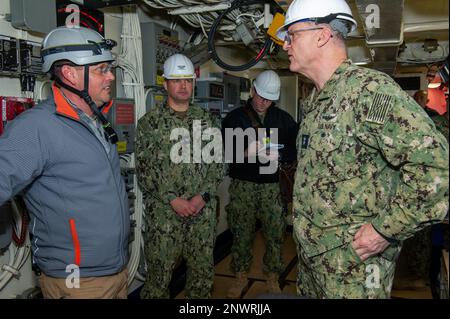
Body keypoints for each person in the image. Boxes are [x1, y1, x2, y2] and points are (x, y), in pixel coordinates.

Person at [277, 0, 449, 298]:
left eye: (292, 34)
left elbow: (437, 170)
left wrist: (384, 230)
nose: (284, 44)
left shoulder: (368, 92)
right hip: (313, 262)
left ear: (321, 35)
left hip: (353, 271)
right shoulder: (317, 101)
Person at [0, 27, 130, 298]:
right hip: (77, 279)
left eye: (109, 68)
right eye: (101, 69)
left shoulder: (96, 120)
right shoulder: (36, 127)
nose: (110, 77)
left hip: (115, 272)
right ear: (70, 73)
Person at [136, 54, 224, 299]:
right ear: (165, 85)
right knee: (158, 280)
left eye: (188, 80)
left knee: (202, 277)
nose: (183, 85)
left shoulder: (207, 121)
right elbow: (145, 169)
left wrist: (202, 197)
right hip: (165, 215)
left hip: (201, 214)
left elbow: (218, 165)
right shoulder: (150, 123)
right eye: (177, 80)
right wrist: (173, 199)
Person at [222, 70, 298, 298]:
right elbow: (225, 153)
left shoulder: (283, 120)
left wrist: (282, 158)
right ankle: (240, 276)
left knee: (275, 233)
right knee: (241, 232)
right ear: (253, 90)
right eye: (261, 96)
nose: (264, 102)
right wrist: (246, 152)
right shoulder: (235, 118)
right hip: (243, 185)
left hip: (272, 187)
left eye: (269, 98)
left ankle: (273, 276)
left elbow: (294, 151)